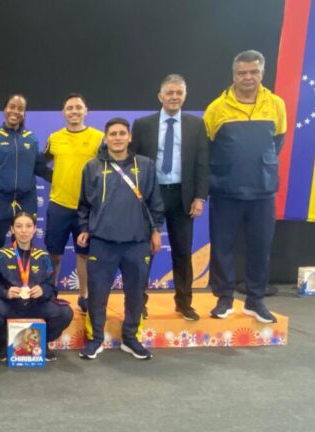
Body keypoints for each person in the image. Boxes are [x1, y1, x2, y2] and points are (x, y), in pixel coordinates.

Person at [203, 50, 286, 323]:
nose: (248, 77)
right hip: (225, 191)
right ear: (234, 75)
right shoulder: (216, 108)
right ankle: (224, 299)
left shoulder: (276, 104)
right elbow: (208, 148)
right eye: (242, 73)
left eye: (253, 72)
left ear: (262, 73)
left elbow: (277, 143)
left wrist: (259, 166)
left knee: (260, 247)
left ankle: (255, 300)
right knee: (222, 247)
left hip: (263, 191)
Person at [77, 118, 164, 361]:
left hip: (137, 241)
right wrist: (84, 228)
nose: (117, 138)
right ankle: (95, 339)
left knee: (136, 293)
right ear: (105, 138)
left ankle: (131, 338)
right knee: (97, 294)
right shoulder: (92, 167)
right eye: (113, 134)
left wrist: (156, 230)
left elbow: (155, 201)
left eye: (122, 133)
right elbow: (84, 204)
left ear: (129, 137)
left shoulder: (145, 165)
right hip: (102, 242)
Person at [131, 74, 208, 321]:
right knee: (145, 251)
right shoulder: (143, 125)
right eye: (170, 93)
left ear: (185, 96)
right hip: (151, 196)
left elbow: (202, 163)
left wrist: (200, 197)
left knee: (183, 251)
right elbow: (132, 163)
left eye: (179, 93)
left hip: (182, 196)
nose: (174, 97)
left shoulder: (196, 125)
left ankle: (184, 303)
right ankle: (138, 303)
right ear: (160, 96)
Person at [43, 93, 103, 313]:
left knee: (84, 254)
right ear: (63, 113)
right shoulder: (54, 138)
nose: (74, 111)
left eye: (78, 107)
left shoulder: (98, 138)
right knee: (54, 254)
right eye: (70, 108)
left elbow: (107, 168)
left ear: (86, 111)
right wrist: (56, 177)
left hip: (86, 209)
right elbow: (40, 163)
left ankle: (84, 296)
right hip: (59, 205)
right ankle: (50, 294)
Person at [0, 212, 72, 362]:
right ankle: (4, 341)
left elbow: (52, 289)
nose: (24, 231)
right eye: (19, 226)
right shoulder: (1, 255)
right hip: (10, 306)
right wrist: (6, 293)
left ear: (34, 229)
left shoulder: (43, 256)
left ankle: (42, 342)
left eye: (28, 226)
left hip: (35, 306)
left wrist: (43, 291)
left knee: (65, 312)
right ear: (12, 229)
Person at [0, 94, 53, 260]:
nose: (15, 111)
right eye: (12, 107)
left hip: (27, 200)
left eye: (20, 109)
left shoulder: (31, 138)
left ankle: (22, 277)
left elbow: (39, 167)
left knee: (25, 246)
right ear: (5, 109)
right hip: (0, 200)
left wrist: (61, 178)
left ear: (24, 113)